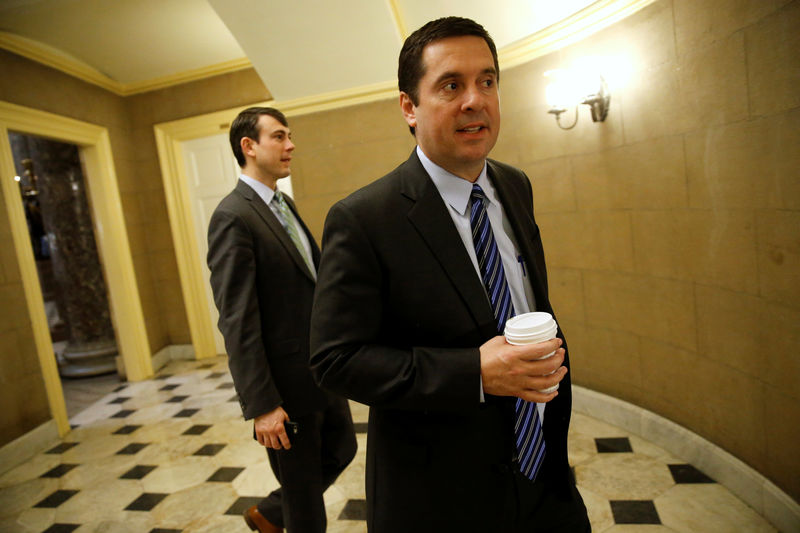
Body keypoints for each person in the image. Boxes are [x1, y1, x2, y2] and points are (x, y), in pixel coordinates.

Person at [310, 17, 590, 533]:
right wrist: (473, 374)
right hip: (439, 496)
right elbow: (335, 359)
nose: (474, 100)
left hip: (543, 478)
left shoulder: (514, 185)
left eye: (487, 81)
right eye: (451, 85)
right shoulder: (364, 218)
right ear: (409, 108)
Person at [207, 107, 356, 533]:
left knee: (342, 450)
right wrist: (262, 405)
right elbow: (237, 319)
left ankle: (270, 513)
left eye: (289, 136)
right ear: (248, 147)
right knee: (304, 497)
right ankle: (282, 512)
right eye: (278, 137)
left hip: (320, 371)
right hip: (283, 387)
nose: (290, 145)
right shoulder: (232, 216)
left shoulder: (282, 203)